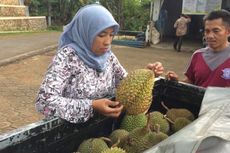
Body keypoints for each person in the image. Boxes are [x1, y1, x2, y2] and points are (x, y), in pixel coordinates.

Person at [35, 4, 164, 124]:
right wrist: (92, 105)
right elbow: (44, 101)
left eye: (111, 35)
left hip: (102, 127)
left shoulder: (108, 56)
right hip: (68, 131)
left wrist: (148, 74)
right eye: (101, 35)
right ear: (86, 31)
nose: (107, 42)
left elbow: (126, 84)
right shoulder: (67, 58)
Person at [167, 10, 230, 88]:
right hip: (197, 100)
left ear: (228, 32)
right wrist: (176, 82)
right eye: (207, 31)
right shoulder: (198, 55)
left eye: (216, 31)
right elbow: (190, 82)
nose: (210, 36)